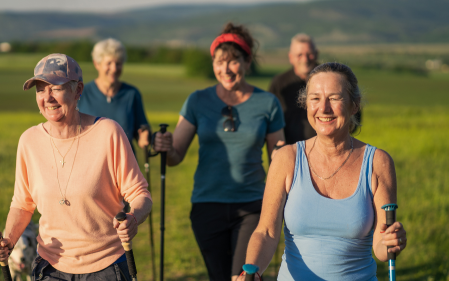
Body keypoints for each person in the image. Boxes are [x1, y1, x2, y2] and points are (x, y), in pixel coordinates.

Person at [0, 53, 153, 280]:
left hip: (105, 266)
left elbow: (140, 194)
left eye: (56, 87)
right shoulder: (29, 141)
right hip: (51, 268)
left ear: (78, 91)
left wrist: (133, 218)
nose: (48, 97)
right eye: (40, 89)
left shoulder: (108, 133)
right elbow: (22, 205)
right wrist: (8, 241)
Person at [242, 62, 407, 280]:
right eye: (315, 98)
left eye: (334, 98)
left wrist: (389, 243)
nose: (324, 108)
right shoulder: (286, 158)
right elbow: (266, 232)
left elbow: (380, 246)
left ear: (354, 105)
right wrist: (250, 271)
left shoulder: (378, 162)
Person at [154, 23, 286, 281]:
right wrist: (166, 147)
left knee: (243, 277)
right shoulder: (197, 100)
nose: (225, 69)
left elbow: (278, 160)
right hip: (207, 205)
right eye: (218, 62)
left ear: (247, 63)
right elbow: (175, 156)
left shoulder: (267, 103)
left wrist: (285, 159)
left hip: (252, 205)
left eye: (233, 61)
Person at [78, 38, 150, 152]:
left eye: (118, 63)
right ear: (96, 64)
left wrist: (146, 137)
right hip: (89, 165)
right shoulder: (81, 93)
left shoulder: (131, 94)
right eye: (109, 63)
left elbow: (142, 131)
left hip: (125, 165)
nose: (114, 69)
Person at [268, 33, 319, 144]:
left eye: (309, 54)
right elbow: (270, 121)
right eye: (299, 55)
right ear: (291, 57)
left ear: (316, 54)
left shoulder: (330, 79)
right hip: (291, 152)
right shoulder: (279, 84)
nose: (305, 59)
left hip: (326, 152)